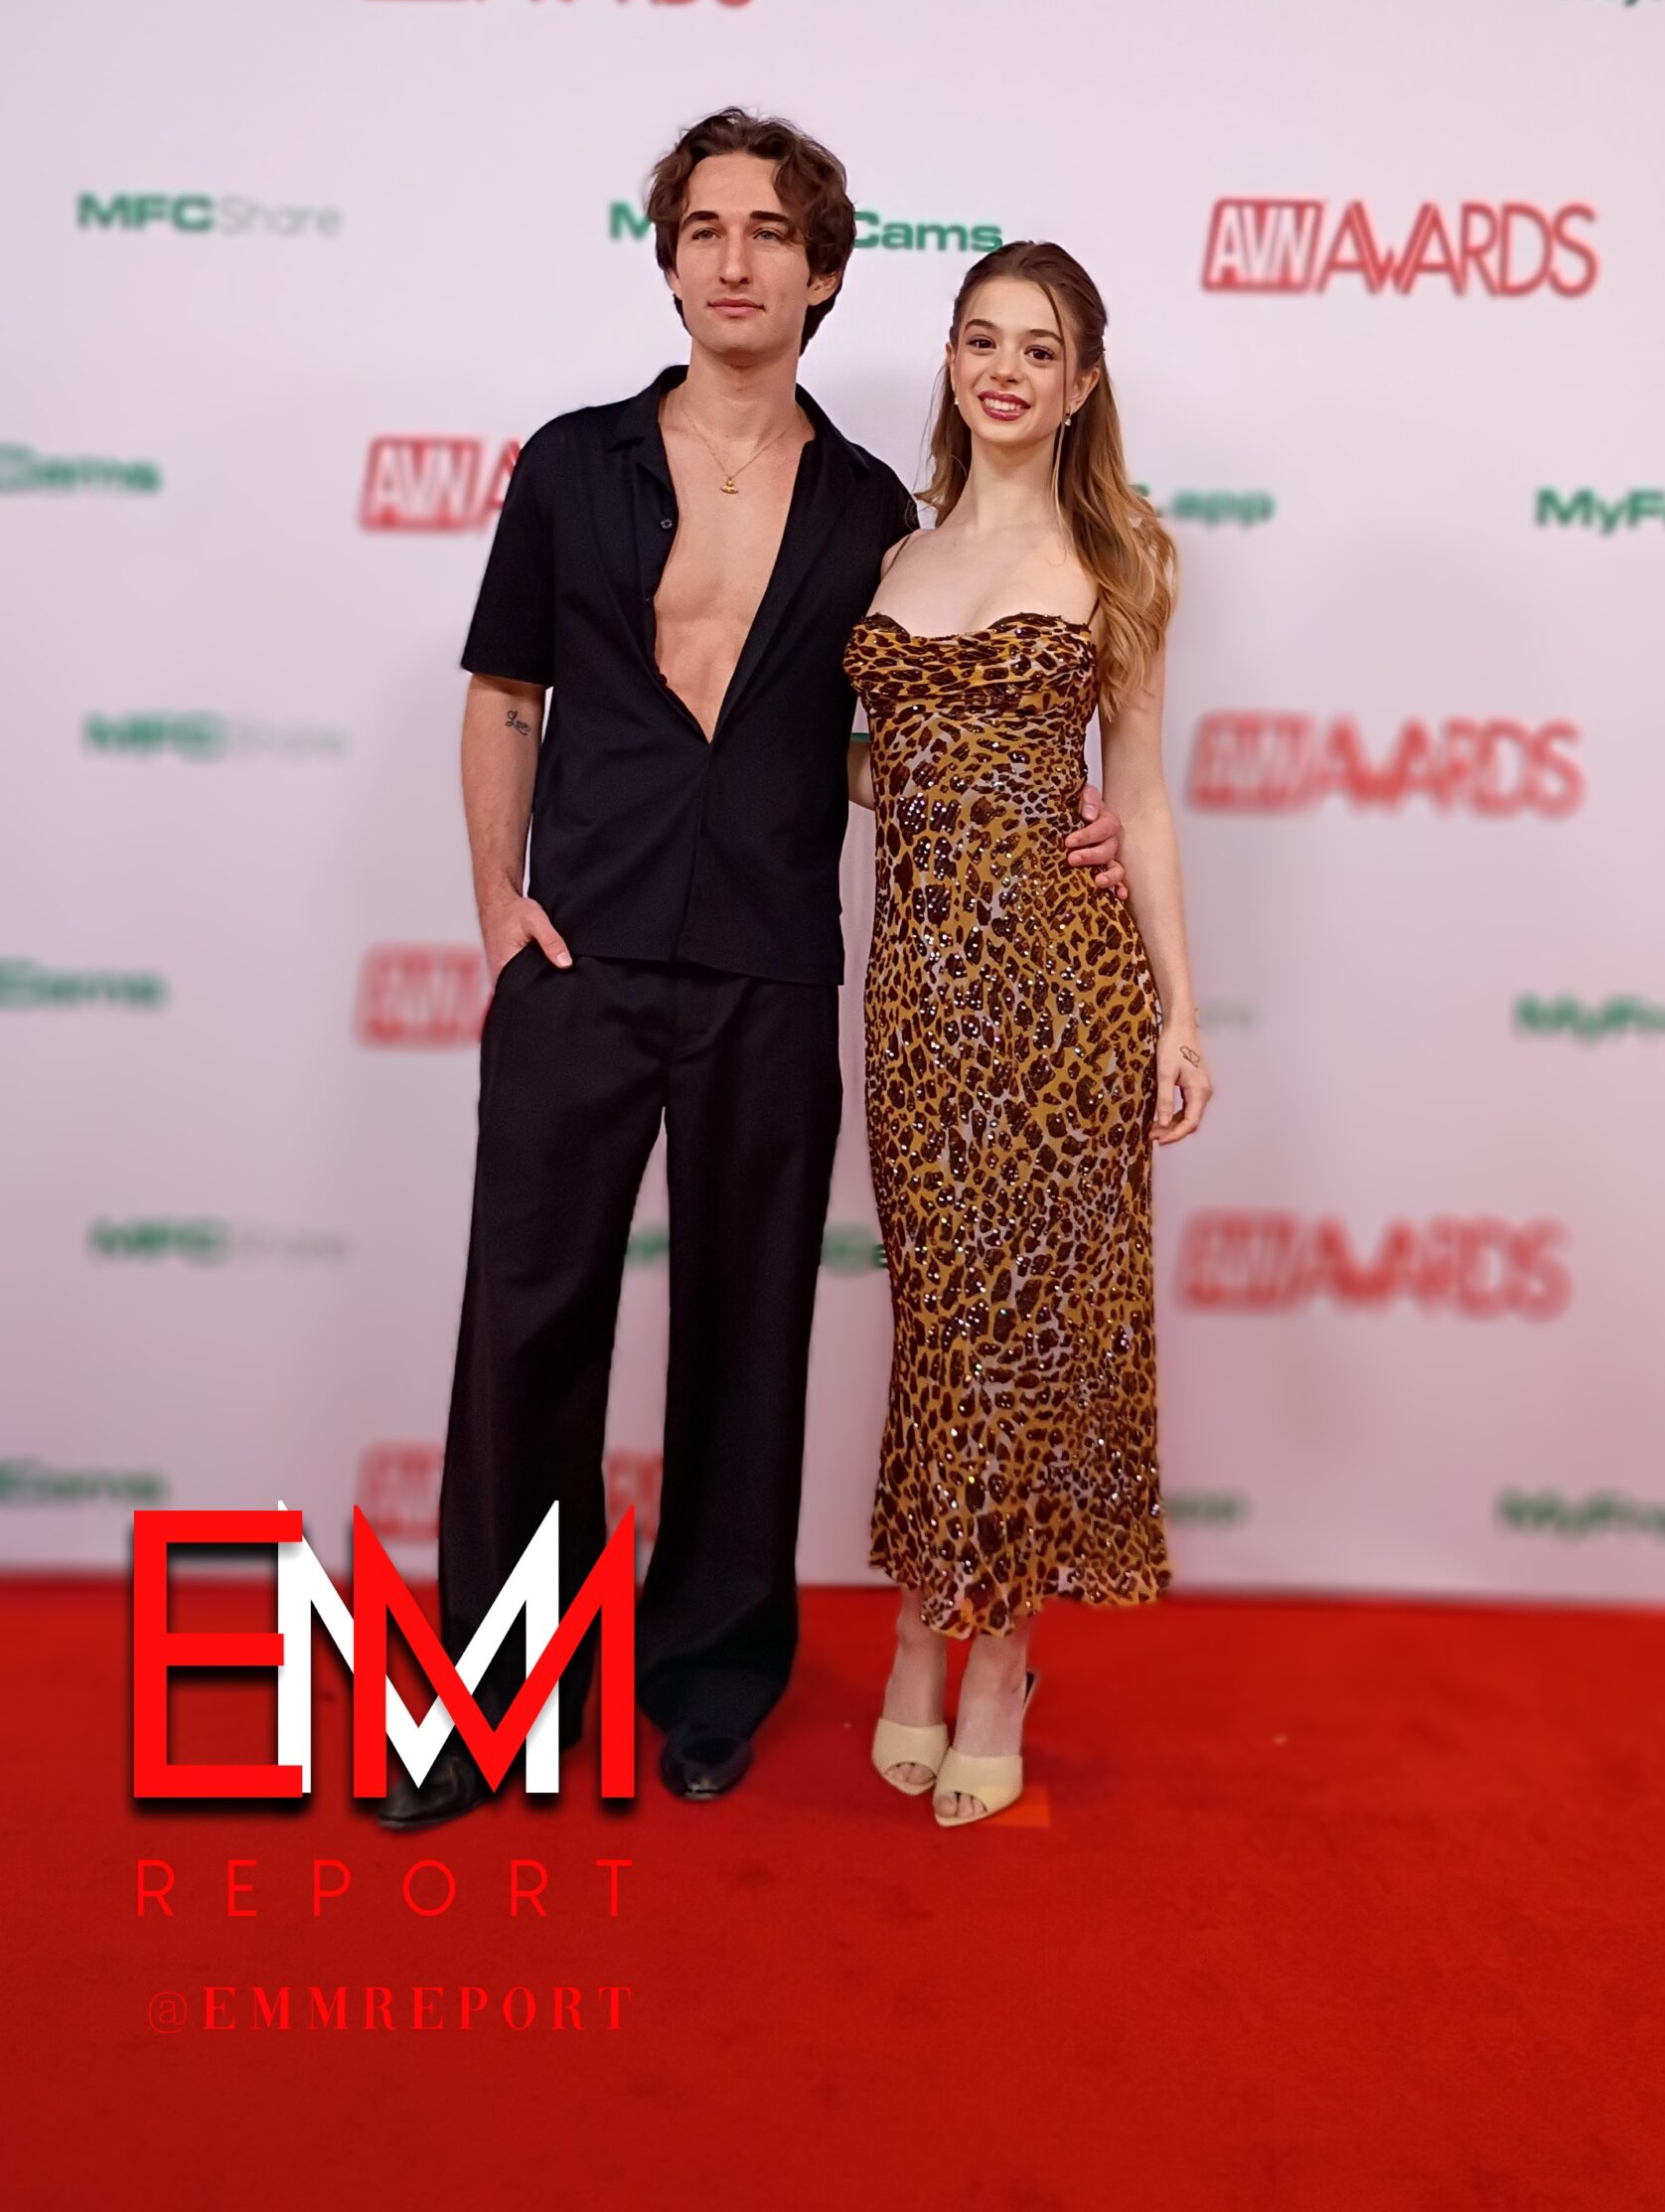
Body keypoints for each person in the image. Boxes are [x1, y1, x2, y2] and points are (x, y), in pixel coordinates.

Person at [378, 116, 1127, 1825]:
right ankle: (497, 1699)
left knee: (747, 1334)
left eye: (770, 232)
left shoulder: (874, 512)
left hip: (771, 971)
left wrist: (1054, 811)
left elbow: (910, 734)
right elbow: (504, 696)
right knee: (526, 1332)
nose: (734, 258)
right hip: (580, 952)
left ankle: (712, 1678)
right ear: (669, 262)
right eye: (705, 228)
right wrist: (496, 900)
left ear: (823, 272)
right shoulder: (569, 466)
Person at [846, 240, 1212, 1825]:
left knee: (1028, 1332)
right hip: (916, 999)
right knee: (941, 1320)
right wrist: (931, 783)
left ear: (1080, 384)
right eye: (982, 340)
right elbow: (874, 760)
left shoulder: (1120, 557)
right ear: (950, 362)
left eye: (1039, 349)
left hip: (1064, 999)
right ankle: (922, 1621)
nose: (1005, 369)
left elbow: (1141, 794)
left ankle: (988, 1664)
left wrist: (1180, 1012)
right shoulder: (889, 553)